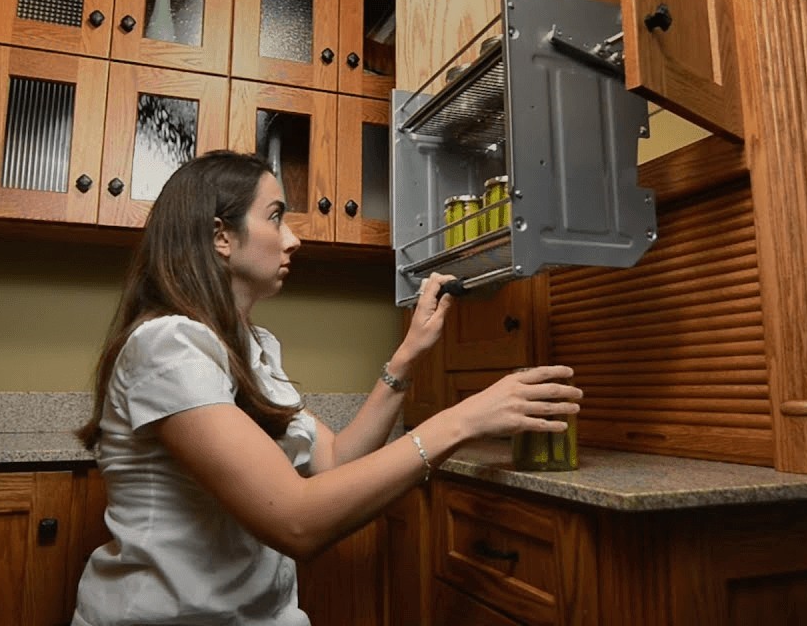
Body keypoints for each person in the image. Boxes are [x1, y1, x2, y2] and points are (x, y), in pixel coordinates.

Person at [71, 150, 579, 626]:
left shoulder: (251, 348)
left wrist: (408, 354)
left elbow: (335, 460)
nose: (292, 239)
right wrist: (462, 420)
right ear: (220, 236)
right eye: (275, 217)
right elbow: (296, 520)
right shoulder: (168, 345)